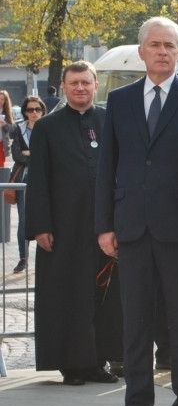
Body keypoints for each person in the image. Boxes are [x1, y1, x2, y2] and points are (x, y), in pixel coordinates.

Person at [96, 17, 178, 406]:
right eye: (155, 44)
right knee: (135, 327)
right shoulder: (120, 100)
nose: (162, 51)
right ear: (141, 52)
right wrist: (104, 225)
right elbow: (107, 166)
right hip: (131, 229)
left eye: (170, 45)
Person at [27, 62, 121, 386]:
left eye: (86, 83)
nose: (80, 88)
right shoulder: (47, 127)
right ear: (64, 88)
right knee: (68, 297)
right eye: (74, 83)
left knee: (102, 298)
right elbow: (37, 180)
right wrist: (40, 226)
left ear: (96, 85)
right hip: (63, 229)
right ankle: (72, 365)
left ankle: (98, 362)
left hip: (104, 228)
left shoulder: (109, 120)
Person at [11, 95, 46, 273]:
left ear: (42, 110)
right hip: (24, 178)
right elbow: (17, 155)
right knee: (23, 220)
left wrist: (30, 153)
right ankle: (23, 258)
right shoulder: (19, 129)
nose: (34, 113)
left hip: (47, 178)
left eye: (37, 109)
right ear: (25, 112)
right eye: (30, 109)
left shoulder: (49, 126)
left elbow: (51, 155)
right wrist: (36, 156)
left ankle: (48, 258)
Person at [0, 89, 15, 166]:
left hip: (2, 143)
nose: (0, 101)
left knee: (1, 164)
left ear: (6, 101)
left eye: (2, 99)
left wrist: (5, 124)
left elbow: (12, 129)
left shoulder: (8, 112)